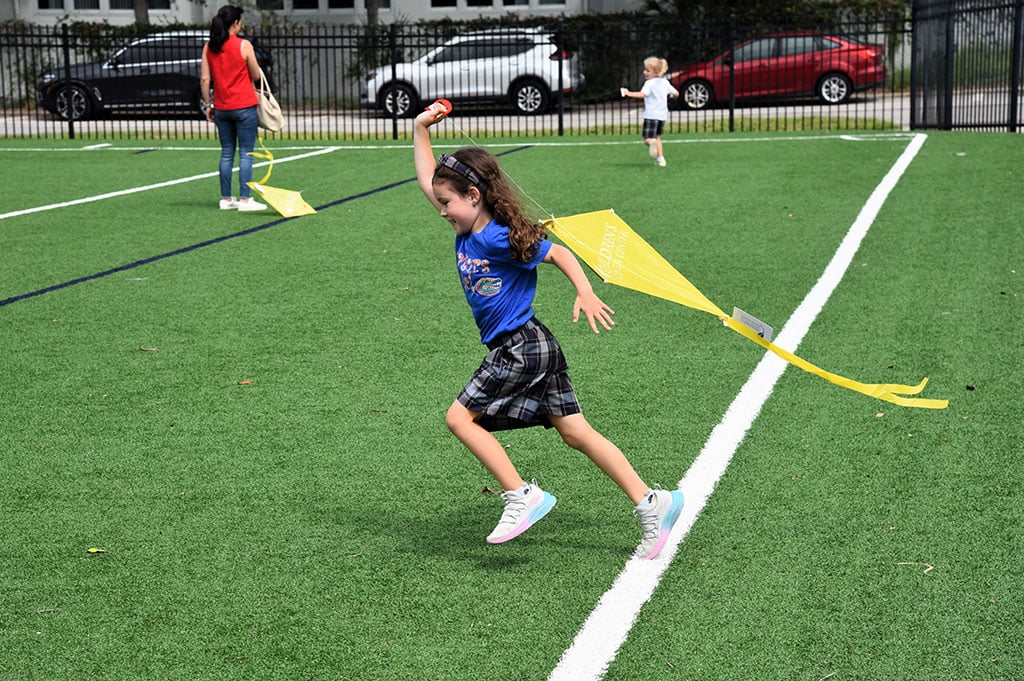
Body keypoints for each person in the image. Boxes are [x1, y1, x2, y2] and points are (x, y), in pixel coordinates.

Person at [413, 101, 684, 560]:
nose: (441, 211)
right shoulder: (465, 226)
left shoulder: (498, 235)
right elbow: (427, 176)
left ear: (474, 196)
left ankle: (522, 495)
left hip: (520, 348)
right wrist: (420, 128)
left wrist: (585, 291)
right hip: (538, 346)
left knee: (459, 418)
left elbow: (558, 254)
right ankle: (652, 502)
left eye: (447, 203)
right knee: (575, 432)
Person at [200, 5, 267, 212]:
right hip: (244, 105)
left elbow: (205, 79)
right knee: (246, 152)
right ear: (235, 23)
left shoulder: (209, 47)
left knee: (227, 152)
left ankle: (226, 198)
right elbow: (256, 76)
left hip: (222, 106)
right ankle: (245, 199)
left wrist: (208, 104)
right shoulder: (244, 45)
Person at [620, 57, 679, 167]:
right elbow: (676, 93)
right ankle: (661, 159)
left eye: (647, 70)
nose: (644, 72)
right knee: (657, 137)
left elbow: (642, 94)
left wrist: (629, 93)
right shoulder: (665, 82)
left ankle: (651, 143)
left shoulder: (649, 83)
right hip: (662, 116)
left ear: (655, 72)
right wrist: (671, 96)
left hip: (651, 115)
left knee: (648, 139)